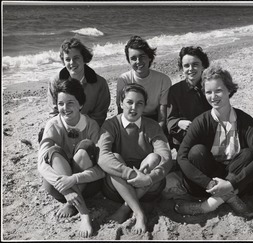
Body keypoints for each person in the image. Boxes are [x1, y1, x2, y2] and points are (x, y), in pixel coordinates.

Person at [175, 65, 253, 218]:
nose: (213, 96)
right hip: (208, 182)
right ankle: (230, 197)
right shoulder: (201, 121)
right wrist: (208, 183)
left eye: (218, 90)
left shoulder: (246, 120)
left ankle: (208, 206)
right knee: (196, 151)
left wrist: (231, 183)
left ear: (229, 90)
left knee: (248, 153)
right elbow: (181, 157)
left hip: (236, 177)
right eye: (208, 92)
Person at [98, 83, 173, 234]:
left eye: (139, 103)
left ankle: (125, 208)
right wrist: (131, 174)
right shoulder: (110, 124)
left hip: (148, 187)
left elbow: (166, 157)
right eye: (129, 102)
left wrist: (148, 178)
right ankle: (139, 213)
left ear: (144, 106)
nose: (134, 108)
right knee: (115, 157)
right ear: (121, 103)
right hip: (117, 187)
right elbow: (102, 156)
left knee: (154, 157)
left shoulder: (152, 126)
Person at [38, 78, 105, 238]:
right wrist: (67, 191)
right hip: (59, 188)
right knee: (53, 151)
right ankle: (84, 213)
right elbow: (41, 165)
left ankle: (73, 205)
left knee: (86, 147)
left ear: (80, 104)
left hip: (87, 184)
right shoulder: (53, 125)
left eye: (70, 103)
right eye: (61, 103)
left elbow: (101, 169)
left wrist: (74, 179)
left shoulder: (91, 125)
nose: (65, 108)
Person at [47, 37, 110, 128]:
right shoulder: (54, 82)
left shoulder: (100, 84)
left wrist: (82, 131)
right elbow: (53, 114)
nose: (72, 63)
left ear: (84, 58)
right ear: (63, 61)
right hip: (63, 129)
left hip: (90, 129)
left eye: (76, 58)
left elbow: (99, 116)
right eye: (68, 59)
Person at [116, 35, 171, 133]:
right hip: (131, 118)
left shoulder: (163, 80)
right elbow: (121, 112)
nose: (138, 62)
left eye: (142, 56)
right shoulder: (124, 79)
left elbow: (162, 117)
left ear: (149, 57)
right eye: (133, 58)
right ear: (129, 61)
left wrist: (155, 131)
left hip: (154, 118)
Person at [167, 46, 211, 150]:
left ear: (203, 66)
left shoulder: (211, 86)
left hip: (211, 136)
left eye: (195, 64)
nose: (191, 69)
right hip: (185, 140)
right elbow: (169, 120)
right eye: (186, 66)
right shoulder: (175, 91)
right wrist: (179, 122)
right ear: (182, 68)